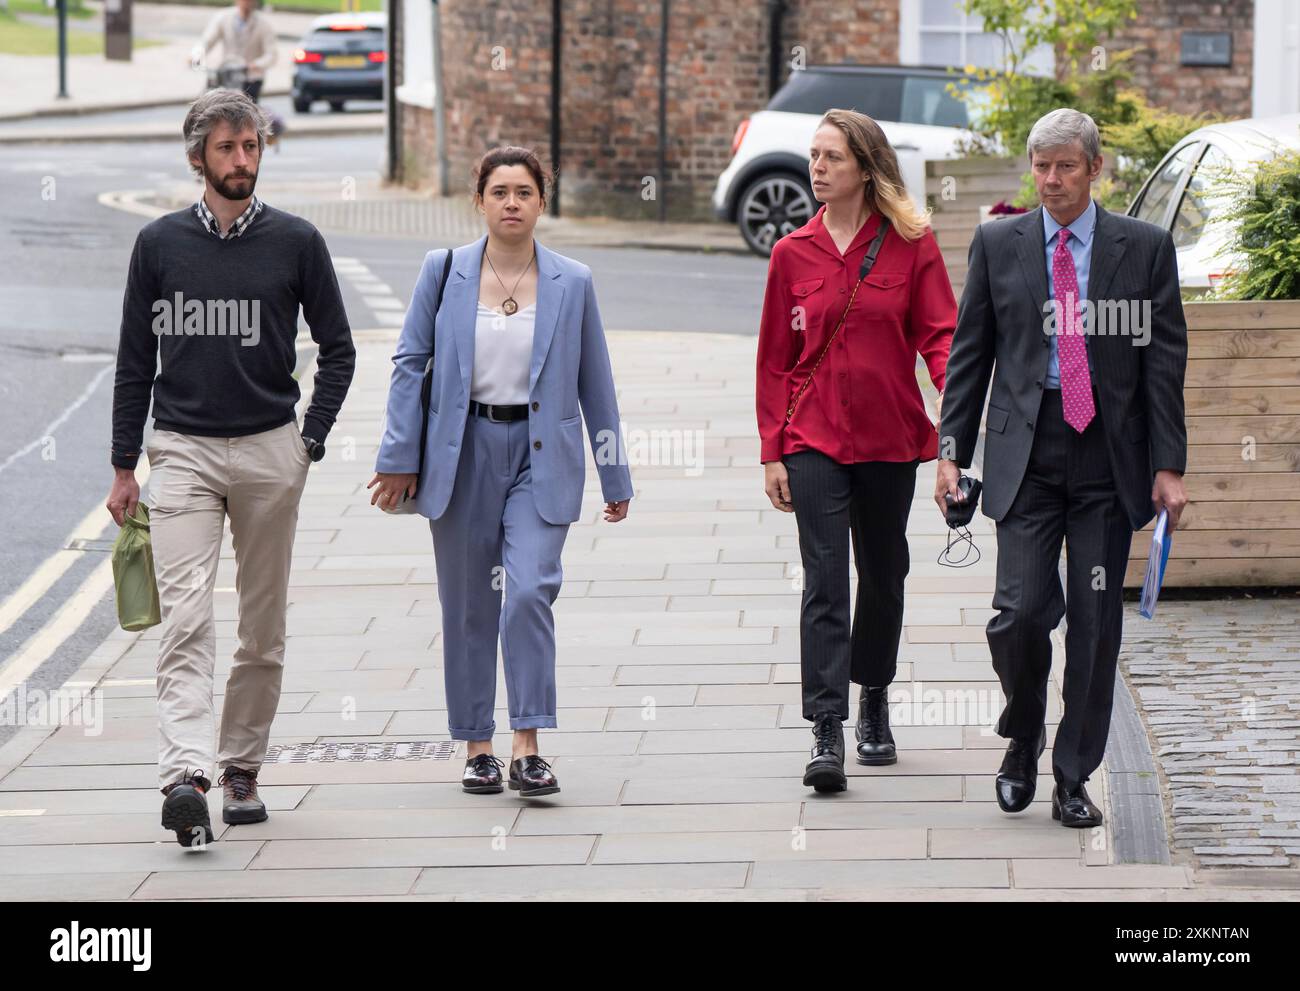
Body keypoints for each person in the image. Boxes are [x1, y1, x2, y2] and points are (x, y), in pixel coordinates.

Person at [106, 89, 356, 846]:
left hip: (268, 450)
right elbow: (132, 361)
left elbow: (339, 348)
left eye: (251, 146)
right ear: (197, 158)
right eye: (226, 148)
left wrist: (305, 444)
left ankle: (241, 764)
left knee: (262, 623)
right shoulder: (157, 245)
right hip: (180, 450)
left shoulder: (297, 242)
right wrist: (124, 466)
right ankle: (186, 774)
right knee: (184, 617)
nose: (242, 160)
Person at [937, 107, 1188, 827]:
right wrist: (950, 450)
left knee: (1094, 622)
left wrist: (1168, 465)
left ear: (1094, 169)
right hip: (1027, 452)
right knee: (1018, 614)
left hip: (1109, 460)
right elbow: (969, 356)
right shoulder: (998, 243)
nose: (1050, 180)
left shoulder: (1142, 248)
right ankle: (1021, 736)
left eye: (1065, 167)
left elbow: (1164, 364)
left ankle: (1072, 773)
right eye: (1041, 167)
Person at [369, 146, 633, 798]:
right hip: (463, 454)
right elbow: (409, 363)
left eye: (524, 192)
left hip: (541, 458)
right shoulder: (445, 270)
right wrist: (400, 456)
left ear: (542, 201)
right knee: (468, 606)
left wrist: (615, 473)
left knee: (527, 592)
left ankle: (528, 745)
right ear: (479, 200)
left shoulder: (573, 280)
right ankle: (478, 745)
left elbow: (595, 382)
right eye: (499, 192)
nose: (512, 203)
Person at [755, 109, 955, 794]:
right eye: (813, 155)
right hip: (812, 437)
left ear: (865, 168)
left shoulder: (911, 245)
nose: (817, 168)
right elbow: (775, 362)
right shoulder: (791, 255)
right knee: (823, 578)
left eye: (831, 157)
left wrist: (955, 413)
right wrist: (771, 450)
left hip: (889, 436)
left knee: (884, 568)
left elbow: (940, 337)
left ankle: (874, 692)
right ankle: (827, 727)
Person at [194, 0, 277, 103]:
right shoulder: (223, 18)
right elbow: (207, 40)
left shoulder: (263, 25)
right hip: (227, 72)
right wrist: (196, 56)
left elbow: (271, 54)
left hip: (250, 78)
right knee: (210, 100)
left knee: (247, 108)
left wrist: (256, 64)